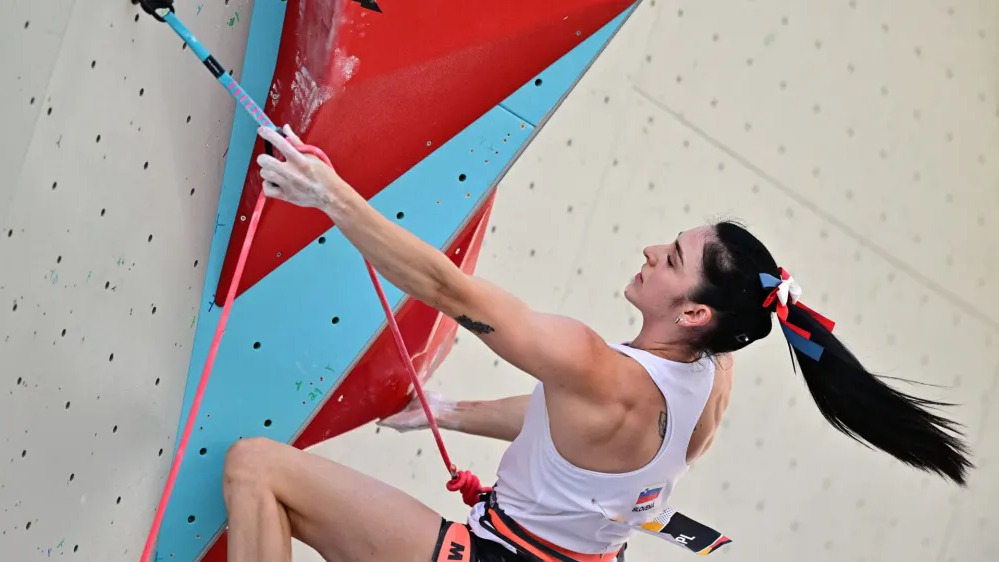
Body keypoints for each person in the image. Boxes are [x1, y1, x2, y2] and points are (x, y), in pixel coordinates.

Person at [220, 125, 973, 562]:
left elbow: (451, 291)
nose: (651, 251)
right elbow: (569, 429)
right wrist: (450, 411)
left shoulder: (599, 369)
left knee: (258, 470)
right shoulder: (710, 384)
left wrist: (333, 198)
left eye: (671, 260)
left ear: (695, 315)